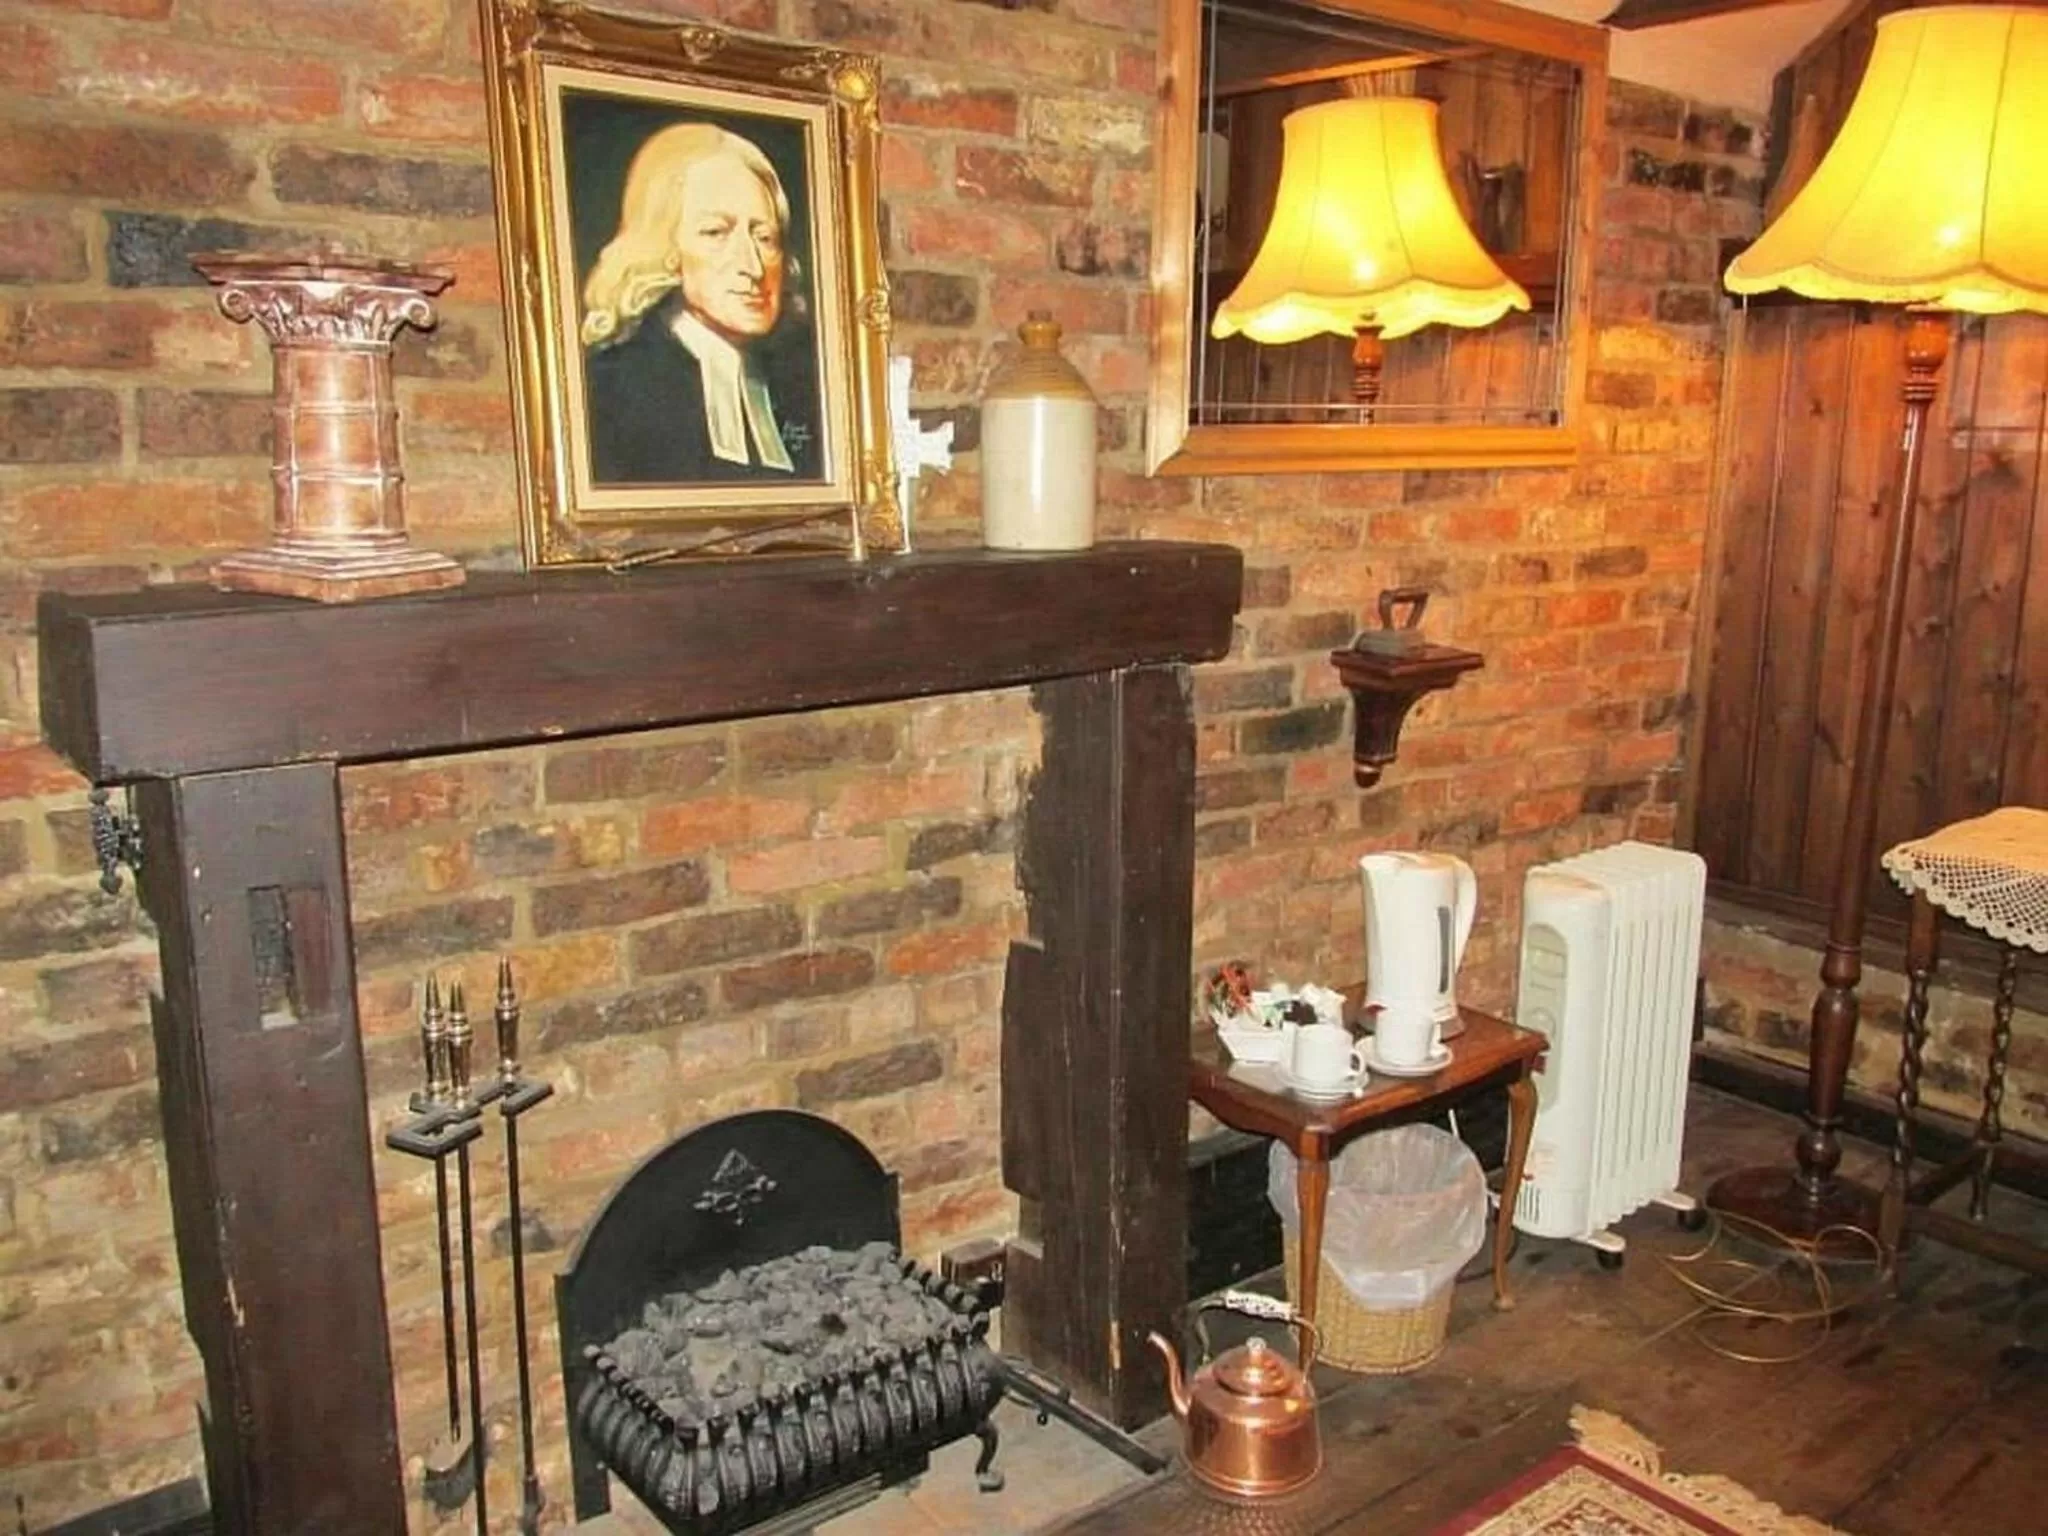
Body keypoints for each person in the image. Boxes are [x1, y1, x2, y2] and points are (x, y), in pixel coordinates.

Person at [580, 122, 823, 485]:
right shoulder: (611, 391)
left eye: (765, 237)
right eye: (715, 232)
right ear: (665, 246)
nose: (753, 266)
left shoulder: (806, 386)